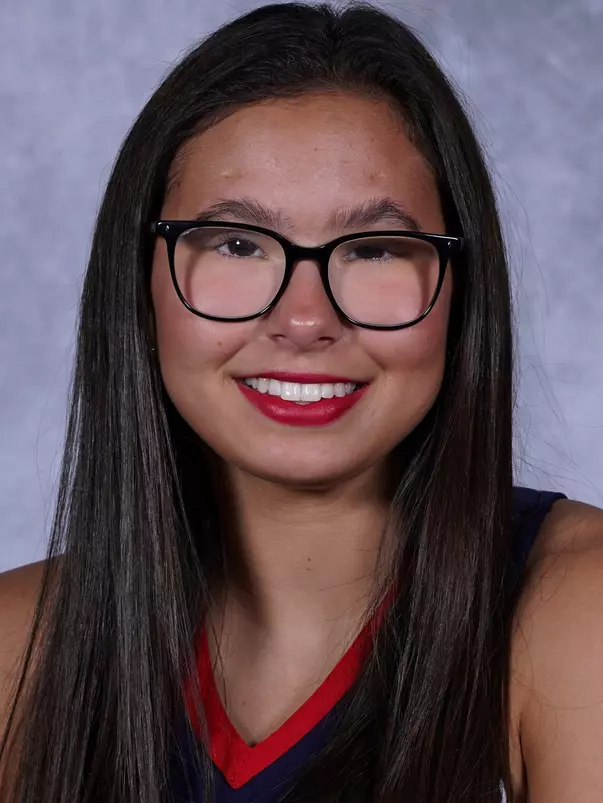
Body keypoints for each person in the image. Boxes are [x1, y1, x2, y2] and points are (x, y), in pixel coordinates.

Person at [0, 2, 602, 801]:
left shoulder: (574, 608)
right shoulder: (19, 647)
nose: (306, 319)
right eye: (238, 243)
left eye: (376, 247)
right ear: (140, 283)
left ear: (463, 290)